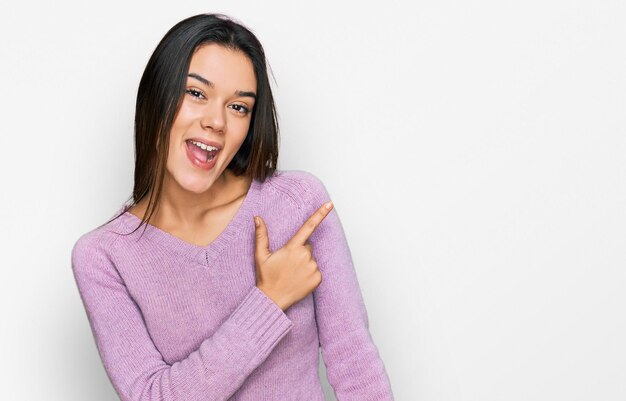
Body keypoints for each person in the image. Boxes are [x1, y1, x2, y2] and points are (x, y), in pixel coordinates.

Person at [71, 13, 394, 401]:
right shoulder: (104, 257)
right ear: (157, 96)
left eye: (239, 107)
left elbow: (356, 367)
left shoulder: (298, 204)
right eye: (196, 93)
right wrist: (269, 301)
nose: (217, 122)